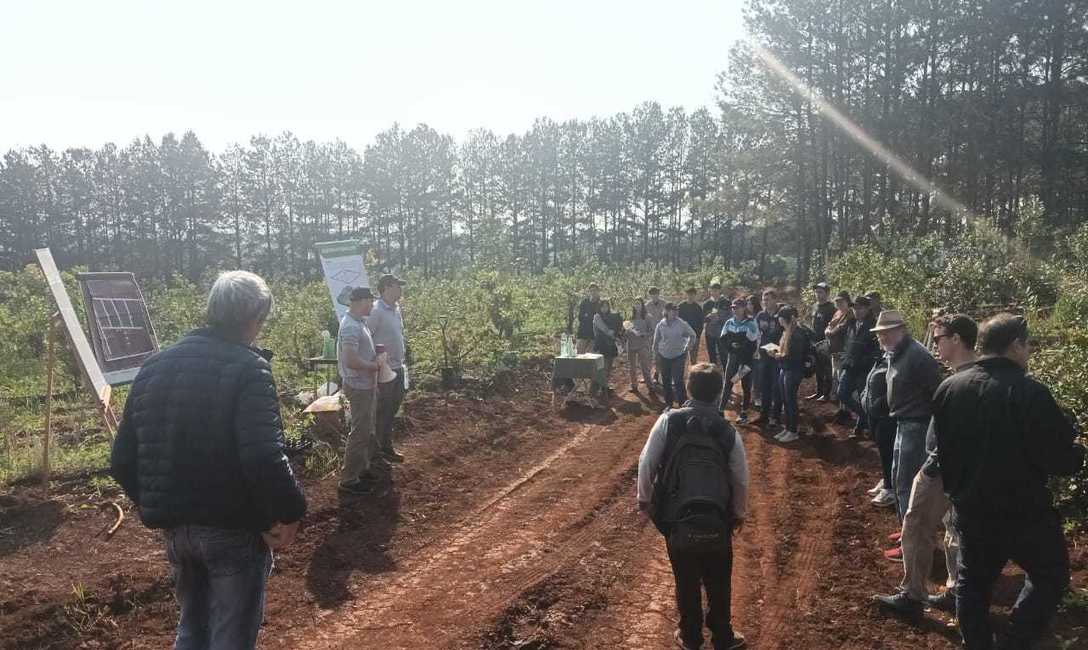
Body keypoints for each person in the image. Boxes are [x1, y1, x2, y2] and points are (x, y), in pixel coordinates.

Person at [110, 271, 307, 650]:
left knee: (192, 630)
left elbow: (121, 460)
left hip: (177, 532)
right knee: (230, 638)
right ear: (255, 318)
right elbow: (264, 456)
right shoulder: (250, 368)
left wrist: (161, 505)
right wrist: (292, 510)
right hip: (232, 529)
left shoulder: (154, 366)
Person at [935, 314, 1085, 649]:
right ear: (1015, 345)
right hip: (1023, 513)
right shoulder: (1029, 391)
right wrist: (1077, 450)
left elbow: (945, 453)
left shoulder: (949, 388)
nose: (1029, 351)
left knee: (972, 585)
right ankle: (1014, 640)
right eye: (1027, 344)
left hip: (971, 511)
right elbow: (1061, 461)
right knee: (1051, 575)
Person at [637, 363, 749, 650]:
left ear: (688, 389)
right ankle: (723, 637)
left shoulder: (669, 421)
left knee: (685, 579)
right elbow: (740, 478)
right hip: (717, 517)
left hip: (677, 516)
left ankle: (690, 637)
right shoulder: (727, 431)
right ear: (718, 393)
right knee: (719, 579)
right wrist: (738, 513)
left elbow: (647, 462)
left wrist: (644, 500)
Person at [874, 314, 976, 618]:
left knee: (918, 522)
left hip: (941, 463)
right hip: (953, 464)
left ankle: (913, 595)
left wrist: (932, 463)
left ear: (956, 339)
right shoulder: (968, 375)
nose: (935, 344)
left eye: (939, 337)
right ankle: (956, 591)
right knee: (953, 526)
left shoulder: (959, 380)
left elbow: (951, 425)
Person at [871, 310, 941, 528]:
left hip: (917, 426)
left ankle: (912, 540)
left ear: (901, 330)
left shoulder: (918, 356)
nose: (883, 338)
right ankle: (906, 531)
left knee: (906, 485)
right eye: (880, 334)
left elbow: (936, 394)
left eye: (887, 333)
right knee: (897, 478)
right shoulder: (897, 352)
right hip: (902, 423)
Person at [337, 286, 383, 495]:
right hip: (359, 386)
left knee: (366, 430)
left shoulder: (358, 323)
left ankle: (362, 469)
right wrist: (374, 366)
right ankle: (349, 479)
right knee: (360, 431)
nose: (373, 305)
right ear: (361, 301)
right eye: (370, 301)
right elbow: (351, 360)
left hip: (366, 385)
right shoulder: (350, 327)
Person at [368, 273, 409, 464]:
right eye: (396, 286)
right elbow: (367, 338)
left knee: (392, 408)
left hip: (398, 366)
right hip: (383, 369)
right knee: (383, 409)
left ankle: (385, 446)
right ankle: (378, 451)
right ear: (386, 288)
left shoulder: (396, 309)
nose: (400, 289)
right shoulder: (376, 311)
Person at [834, 295, 880, 433]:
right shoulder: (851, 323)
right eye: (855, 308)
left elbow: (877, 350)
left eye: (860, 308)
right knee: (842, 394)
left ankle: (862, 428)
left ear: (867, 308)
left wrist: (865, 362)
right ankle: (865, 419)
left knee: (863, 399)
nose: (857, 310)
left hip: (864, 369)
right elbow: (848, 343)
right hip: (849, 366)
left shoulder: (874, 325)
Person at [861, 354, 897, 508]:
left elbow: (895, 388)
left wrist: (878, 404)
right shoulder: (882, 358)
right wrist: (864, 396)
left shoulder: (897, 360)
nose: (880, 338)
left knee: (887, 451)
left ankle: (890, 490)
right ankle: (887, 479)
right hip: (874, 414)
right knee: (883, 452)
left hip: (886, 416)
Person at [770, 306, 810, 443]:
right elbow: (785, 352)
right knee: (785, 400)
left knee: (790, 401)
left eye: (779, 318)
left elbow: (793, 358)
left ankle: (793, 431)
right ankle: (788, 428)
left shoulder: (796, 334)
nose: (778, 320)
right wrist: (778, 354)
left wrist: (776, 356)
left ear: (783, 319)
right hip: (785, 369)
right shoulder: (787, 331)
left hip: (792, 371)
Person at [719, 297, 758, 424]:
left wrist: (741, 347)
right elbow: (723, 339)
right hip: (733, 358)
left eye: (738, 307)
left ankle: (744, 413)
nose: (735, 310)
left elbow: (754, 342)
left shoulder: (751, 323)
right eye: (733, 308)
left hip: (746, 359)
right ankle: (720, 411)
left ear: (744, 308)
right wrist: (731, 346)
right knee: (728, 383)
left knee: (746, 386)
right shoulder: (729, 322)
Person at [653, 303, 698, 409]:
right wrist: (655, 355)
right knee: (666, 380)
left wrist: (688, 346)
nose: (675, 312)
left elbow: (693, 335)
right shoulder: (660, 324)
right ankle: (668, 404)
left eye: (676, 310)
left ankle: (683, 403)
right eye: (673, 310)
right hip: (664, 355)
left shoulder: (682, 324)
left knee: (678, 380)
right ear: (666, 311)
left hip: (679, 355)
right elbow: (656, 341)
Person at [751, 289, 783, 428]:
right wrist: (756, 350)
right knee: (764, 385)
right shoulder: (760, 315)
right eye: (764, 300)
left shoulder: (782, 314)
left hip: (778, 356)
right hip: (764, 355)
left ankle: (775, 417)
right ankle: (764, 415)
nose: (765, 302)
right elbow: (757, 333)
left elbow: (788, 333)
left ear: (775, 299)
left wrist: (779, 350)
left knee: (776, 387)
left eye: (768, 299)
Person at [806, 282, 837, 401]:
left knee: (827, 369)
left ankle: (827, 393)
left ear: (827, 293)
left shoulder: (832, 308)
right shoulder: (815, 307)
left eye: (820, 292)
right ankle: (818, 392)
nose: (818, 294)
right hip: (815, 342)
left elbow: (833, 327)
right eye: (816, 292)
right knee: (818, 368)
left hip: (826, 343)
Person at [825, 291, 854, 399]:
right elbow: (829, 325)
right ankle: (839, 404)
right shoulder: (837, 313)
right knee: (835, 377)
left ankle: (845, 407)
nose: (839, 304)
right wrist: (827, 330)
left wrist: (831, 332)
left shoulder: (850, 312)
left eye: (841, 301)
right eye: (837, 301)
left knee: (842, 379)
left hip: (844, 350)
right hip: (834, 350)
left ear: (847, 301)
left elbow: (843, 326)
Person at [592, 298, 624, 393]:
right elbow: (605, 329)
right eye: (603, 306)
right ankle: (595, 389)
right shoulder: (597, 317)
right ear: (600, 307)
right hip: (600, 345)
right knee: (600, 368)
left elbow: (617, 327)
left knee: (609, 367)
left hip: (610, 345)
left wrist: (617, 331)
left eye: (606, 306)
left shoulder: (612, 316)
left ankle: (605, 386)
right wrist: (613, 332)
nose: (605, 308)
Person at [626, 299, 655, 393]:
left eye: (639, 304)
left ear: (642, 305)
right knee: (632, 367)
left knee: (644, 366)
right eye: (635, 304)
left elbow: (652, 331)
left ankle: (650, 385)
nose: (637, 306)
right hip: (631, 345)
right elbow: (626, 330)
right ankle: (634, 385)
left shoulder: (647, 317)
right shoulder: (630, 317)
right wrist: (627, 331)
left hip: (643, 345)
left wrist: (643, 334)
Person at [703, 282, 729, 366]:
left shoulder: (727, 302)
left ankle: (726, 376)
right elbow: (702, 319)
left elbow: (731, 318)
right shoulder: (706, 304)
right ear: (710, 291)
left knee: (724, 355)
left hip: (722, 333)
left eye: (716, 290)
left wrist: (720, 319)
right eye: (712, 290)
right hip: (710, 334)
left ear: (720, 290)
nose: (714, 292)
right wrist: (707, 317)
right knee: (712, 355)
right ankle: (713, 375)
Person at [679, 288, 706, 365]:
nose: (690, 296)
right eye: (689, 294)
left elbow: (701, 323)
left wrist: (697, 336)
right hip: (682, 336)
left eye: (692, 294)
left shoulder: (698, 307)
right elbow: (677, 321)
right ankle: (682, 375)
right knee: (681, 357)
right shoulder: (681, 306)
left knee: (693, 358)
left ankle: (693, 375)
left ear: (695, 295)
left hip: (693, 335)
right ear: (686, 295)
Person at [576, 283, 602, 354]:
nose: (593, 292)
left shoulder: (601, 303)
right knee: (579, 354)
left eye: (595, 290)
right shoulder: (584, 302)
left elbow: (602, 318)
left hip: (595, 334)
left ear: (598, 291)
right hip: (583, 332)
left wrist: (587, 316)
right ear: (589, 292)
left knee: (593, 357)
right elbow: (580, 317)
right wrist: (591, 318)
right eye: (591, 291)